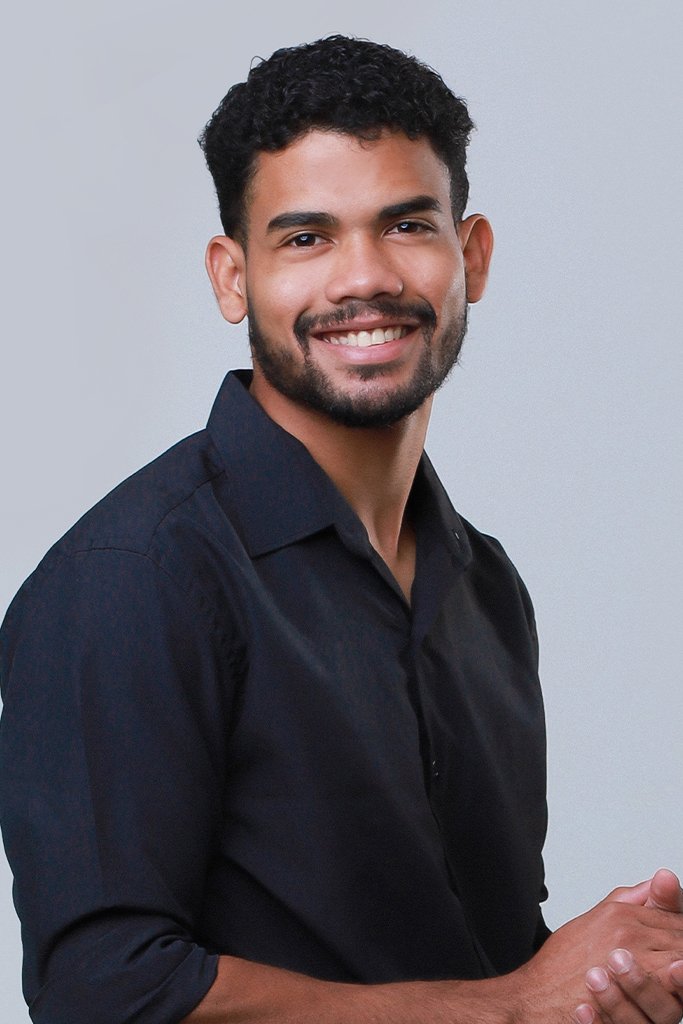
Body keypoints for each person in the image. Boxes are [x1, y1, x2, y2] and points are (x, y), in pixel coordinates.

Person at [0, 34, 681, 1024]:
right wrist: (511, 1002)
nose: (363, 278)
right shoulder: (134, 576)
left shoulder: (483, 586)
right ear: (232, 278)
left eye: (405, 224)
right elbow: (107, 990)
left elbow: (480, 968)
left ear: (470, 256)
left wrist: (614, 973)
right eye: (305, 238)